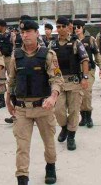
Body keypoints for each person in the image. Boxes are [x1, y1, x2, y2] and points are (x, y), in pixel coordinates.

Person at [6, 20, 63, 185]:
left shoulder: (48, 54)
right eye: (23, 32)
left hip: (43, 107)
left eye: (29, 32)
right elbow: (12, 80)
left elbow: (56, 78)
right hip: (22, 109)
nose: (25, 35)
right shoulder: (16, 56)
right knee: (22, 146)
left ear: (37, 34)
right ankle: (22, 177)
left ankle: (50, 166)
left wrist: (53, 97)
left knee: (49, 141)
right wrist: (8, 101)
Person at [50, 17, 89, 151]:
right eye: (58, 26)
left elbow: (85, 60)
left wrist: (84, 77)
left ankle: (71, 136)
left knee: (73, 111)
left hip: (74, 82)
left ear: (68, 27)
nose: (60, 29)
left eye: (63, 26)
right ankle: (64, 128)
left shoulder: (76, 43)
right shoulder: (52, 44)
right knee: (58, 110)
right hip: (58, 83)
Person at [74, 20, 101, 128]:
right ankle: (83, 116)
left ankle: (88, 116)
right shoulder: (73, 41)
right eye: (75, 27)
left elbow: (96, 53)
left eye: (78, 27)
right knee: (79, 94)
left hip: (89, 70)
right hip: (77, 71)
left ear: (83, 28)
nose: (76, 29)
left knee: (86, 93)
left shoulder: (90, 39)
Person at [0, 19, 13, 109]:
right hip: (0, 58)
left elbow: (15, 46)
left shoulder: (11, 34)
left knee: (12, 77)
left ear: (2, 26)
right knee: (0, 79)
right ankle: (2, 100)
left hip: (9, 58)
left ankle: (13, 98)